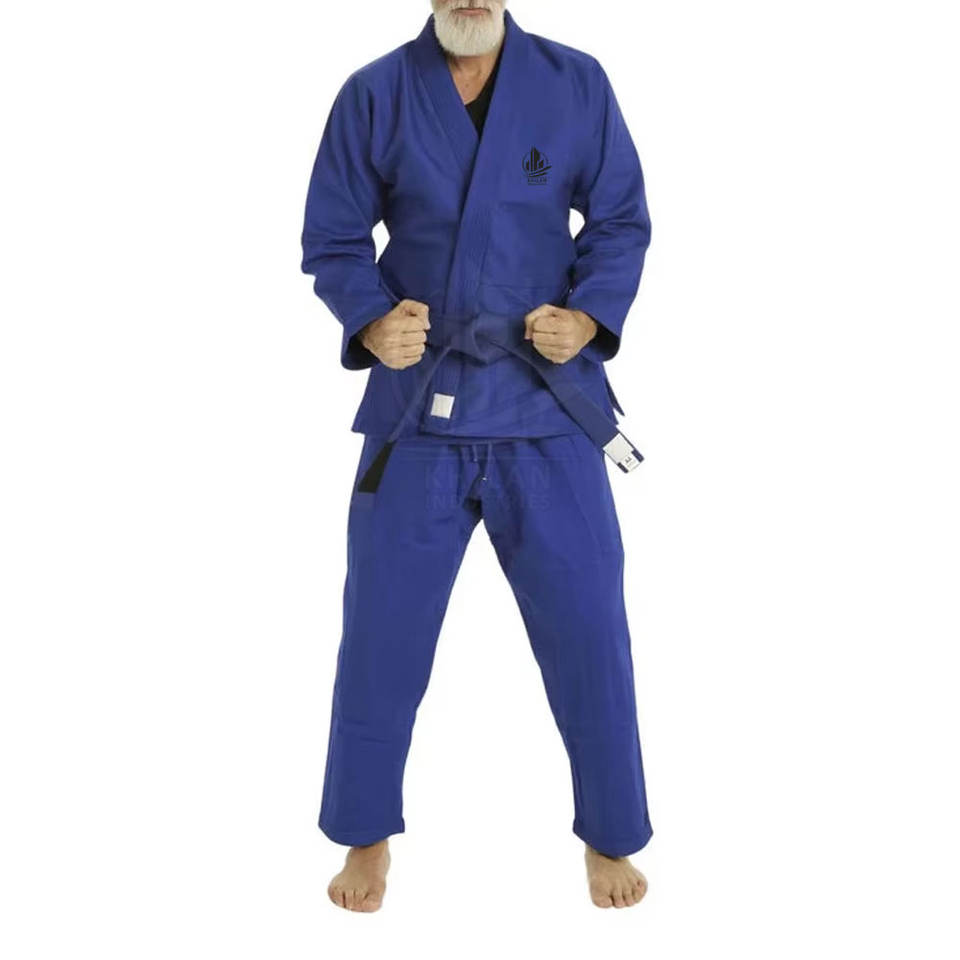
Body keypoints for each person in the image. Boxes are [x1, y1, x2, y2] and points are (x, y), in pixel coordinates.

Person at [300, 0, 652, 911]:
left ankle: (610, 832)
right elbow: (333, 237)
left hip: (545, 403)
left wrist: (589, 316)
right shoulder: (375, 94)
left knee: (589, 631)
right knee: (380, 635)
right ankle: (366, 837)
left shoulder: (575, 83)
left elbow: (619, 220)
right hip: (418, 406)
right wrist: (371, 321)